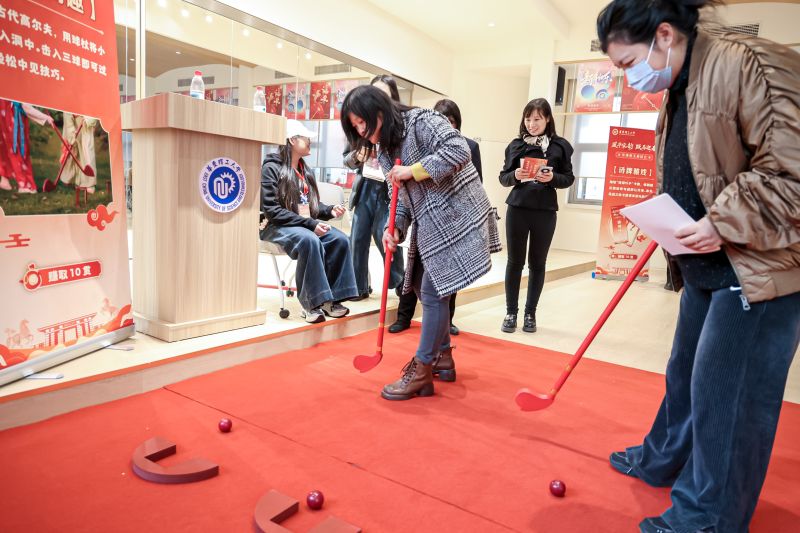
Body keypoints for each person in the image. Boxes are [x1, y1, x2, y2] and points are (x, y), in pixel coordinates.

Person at [597, 1, 800, 532]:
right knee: (685, 373)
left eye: (628, 64)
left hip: (757, 268)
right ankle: (663, 457)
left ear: (664, 35)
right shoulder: (683, 79)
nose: (630, 78)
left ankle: (707, 517)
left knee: (727, 397)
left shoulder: (747, 63)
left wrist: (722, 221)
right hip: (706, 265)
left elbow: (791, 172)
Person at [341, 85, 499, 400]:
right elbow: (398, 195)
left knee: (433, 290)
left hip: (459, 215)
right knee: (416, 282)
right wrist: (395, 228)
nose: (361, 131)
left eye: (362, 122)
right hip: (431, 222)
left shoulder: (421, 121)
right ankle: (443, 356)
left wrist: (412, 170)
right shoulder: (384, 149)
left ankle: (423, 369)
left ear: (379, 111)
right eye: (355, 126)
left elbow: (459, 150)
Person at [388, 98, 483, 337]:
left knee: (446, 280)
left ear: (457, 123)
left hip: (453, 222)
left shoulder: (467, 146)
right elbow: (404, 191)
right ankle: (405, 317)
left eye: (450, 121)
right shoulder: (419, 144)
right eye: (440, 119)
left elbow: (474, 183)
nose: (444, 125)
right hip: (425, 220)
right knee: (415, 273)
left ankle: (442, 333)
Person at [260, 119, 358, 323]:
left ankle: (332, 299)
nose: (310, 142)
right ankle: (311, 304)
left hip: (300, 225)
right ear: (292, 140)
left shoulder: (305, 170)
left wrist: (329, 210)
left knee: (340, 240)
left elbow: (309, 206)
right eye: (306, 138)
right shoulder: (271, 168)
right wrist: (311, 224)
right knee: (309, 240)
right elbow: (272, 211)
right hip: (275, 226)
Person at [499, 98, 574, 333]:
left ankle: (530, 314)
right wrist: (515, 175)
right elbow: (503, 178)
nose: (531, 124)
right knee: (514, 262)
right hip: (517, 209)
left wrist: (552, 178)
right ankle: (511, 313)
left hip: (545, 211)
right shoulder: (515, 145)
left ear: (548, 119)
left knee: (537, 264)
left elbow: (568, 178)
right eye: (528, 119)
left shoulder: (560, 146)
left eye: (537, 119)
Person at [343, 75, 405, 301]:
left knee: (385, 235)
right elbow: (347, 159)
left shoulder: (398, 125)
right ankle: (357, 287)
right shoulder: (360, 124)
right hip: (365, 188)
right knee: (357, 238)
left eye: (383, 94)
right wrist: (358, 156)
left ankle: (400, 281)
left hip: (388, 190)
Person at [0, 99, 55, 193]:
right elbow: (26, 108)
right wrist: (46, 118)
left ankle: (4, 179)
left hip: (7, 120)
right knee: (16, 151)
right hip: (14, 125)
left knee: (6, 148)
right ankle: (24, 184)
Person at [59, 112, 98, 193]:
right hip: (71, 117)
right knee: (71, 151)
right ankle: (68, 178)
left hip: (85, 121)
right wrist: (71, 135)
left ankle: (88, 183)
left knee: (86, 152)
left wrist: (86, 117)